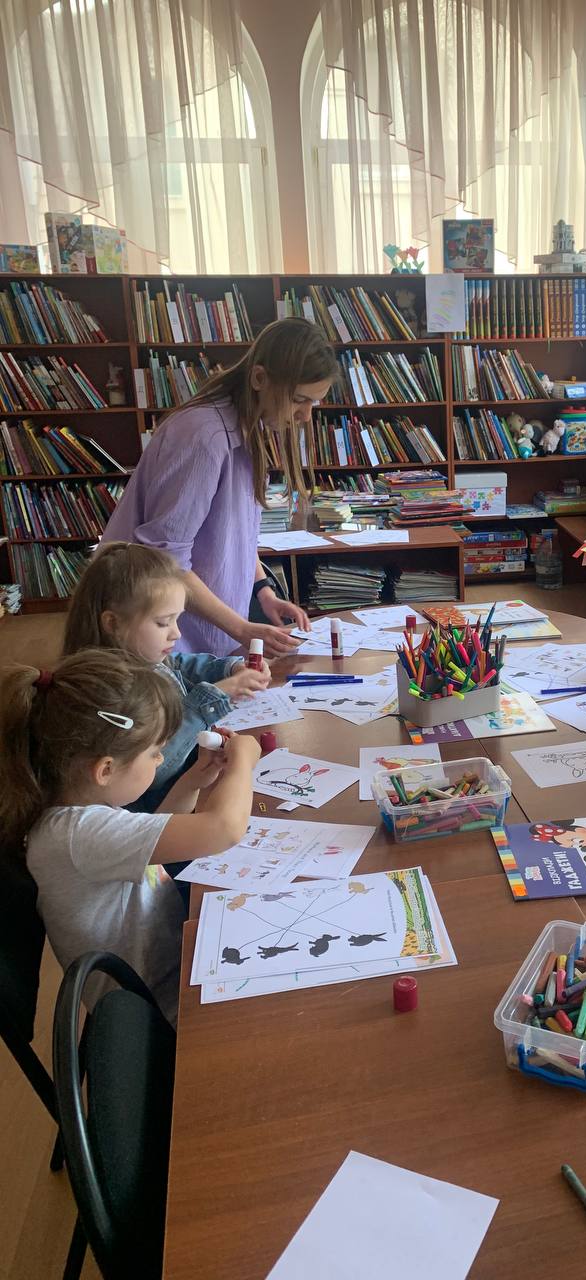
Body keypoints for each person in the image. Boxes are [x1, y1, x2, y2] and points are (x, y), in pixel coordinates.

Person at [0, 649, 261, 1025]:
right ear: (105, 769)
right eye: (155, 753)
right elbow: (224, 828)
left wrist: (195, 779)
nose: (161, 761)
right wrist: (244, 762)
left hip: (177, 972)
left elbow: (153, 837)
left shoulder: (75, 815)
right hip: (164, 1011)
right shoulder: (77, 834)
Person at [102, 317, 337, 659]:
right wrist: (241, 628)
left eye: (314, 403)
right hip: (161, 638)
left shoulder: (248, 425)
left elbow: (237, 533)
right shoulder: (203, 436)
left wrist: (263, 591)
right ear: (259, 379)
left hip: (200, 638)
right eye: (300, 399)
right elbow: (164, 559)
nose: (305, 416)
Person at [62, 541, 269, 810]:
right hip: (152, 813)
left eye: (177, 619)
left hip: (187, 789)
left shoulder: (146, 656)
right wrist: (215, 698)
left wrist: (229, 669)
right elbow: (154, 769)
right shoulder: (110, 691)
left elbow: (180, 665)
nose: (176, 633)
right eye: (163, 622)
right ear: (113, 623)